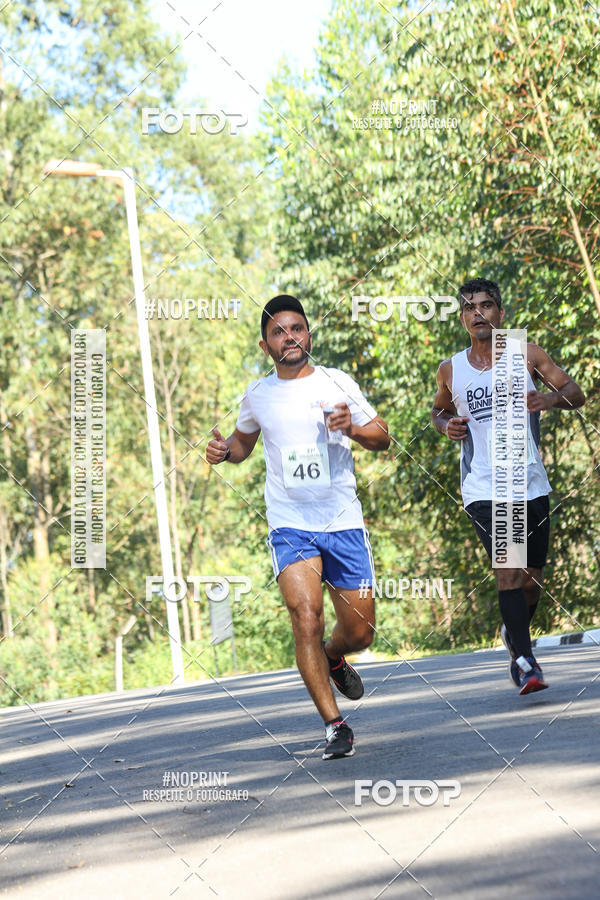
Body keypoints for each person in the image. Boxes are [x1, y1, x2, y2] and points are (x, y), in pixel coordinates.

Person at [206, 295, 390, 757]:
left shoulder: (336, 382)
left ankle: (334, 656)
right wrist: (224, 451)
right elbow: (243, 442)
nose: (290, 337)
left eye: (297, 329)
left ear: (309, 334)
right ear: (265, 345)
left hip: (342, 519)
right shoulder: (258, 395)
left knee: (361, 631)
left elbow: (382, 437)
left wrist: (352, 429)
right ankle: (335, 726)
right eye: (278, 332)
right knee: (305, 617)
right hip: (289, 524)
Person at [431, 278, 585, 694]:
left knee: (531, 578)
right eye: (469, 307)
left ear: (501, 313)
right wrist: (448, 424)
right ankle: (524, 660)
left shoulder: (526, 354)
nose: (477, 313)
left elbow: (576, 391)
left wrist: (548, 400)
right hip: (485, 486)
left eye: (485, 305)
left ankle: (514, 634)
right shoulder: (452, 368)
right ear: (462, 318)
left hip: (530, 482)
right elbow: (438, 410)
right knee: (509, 569)